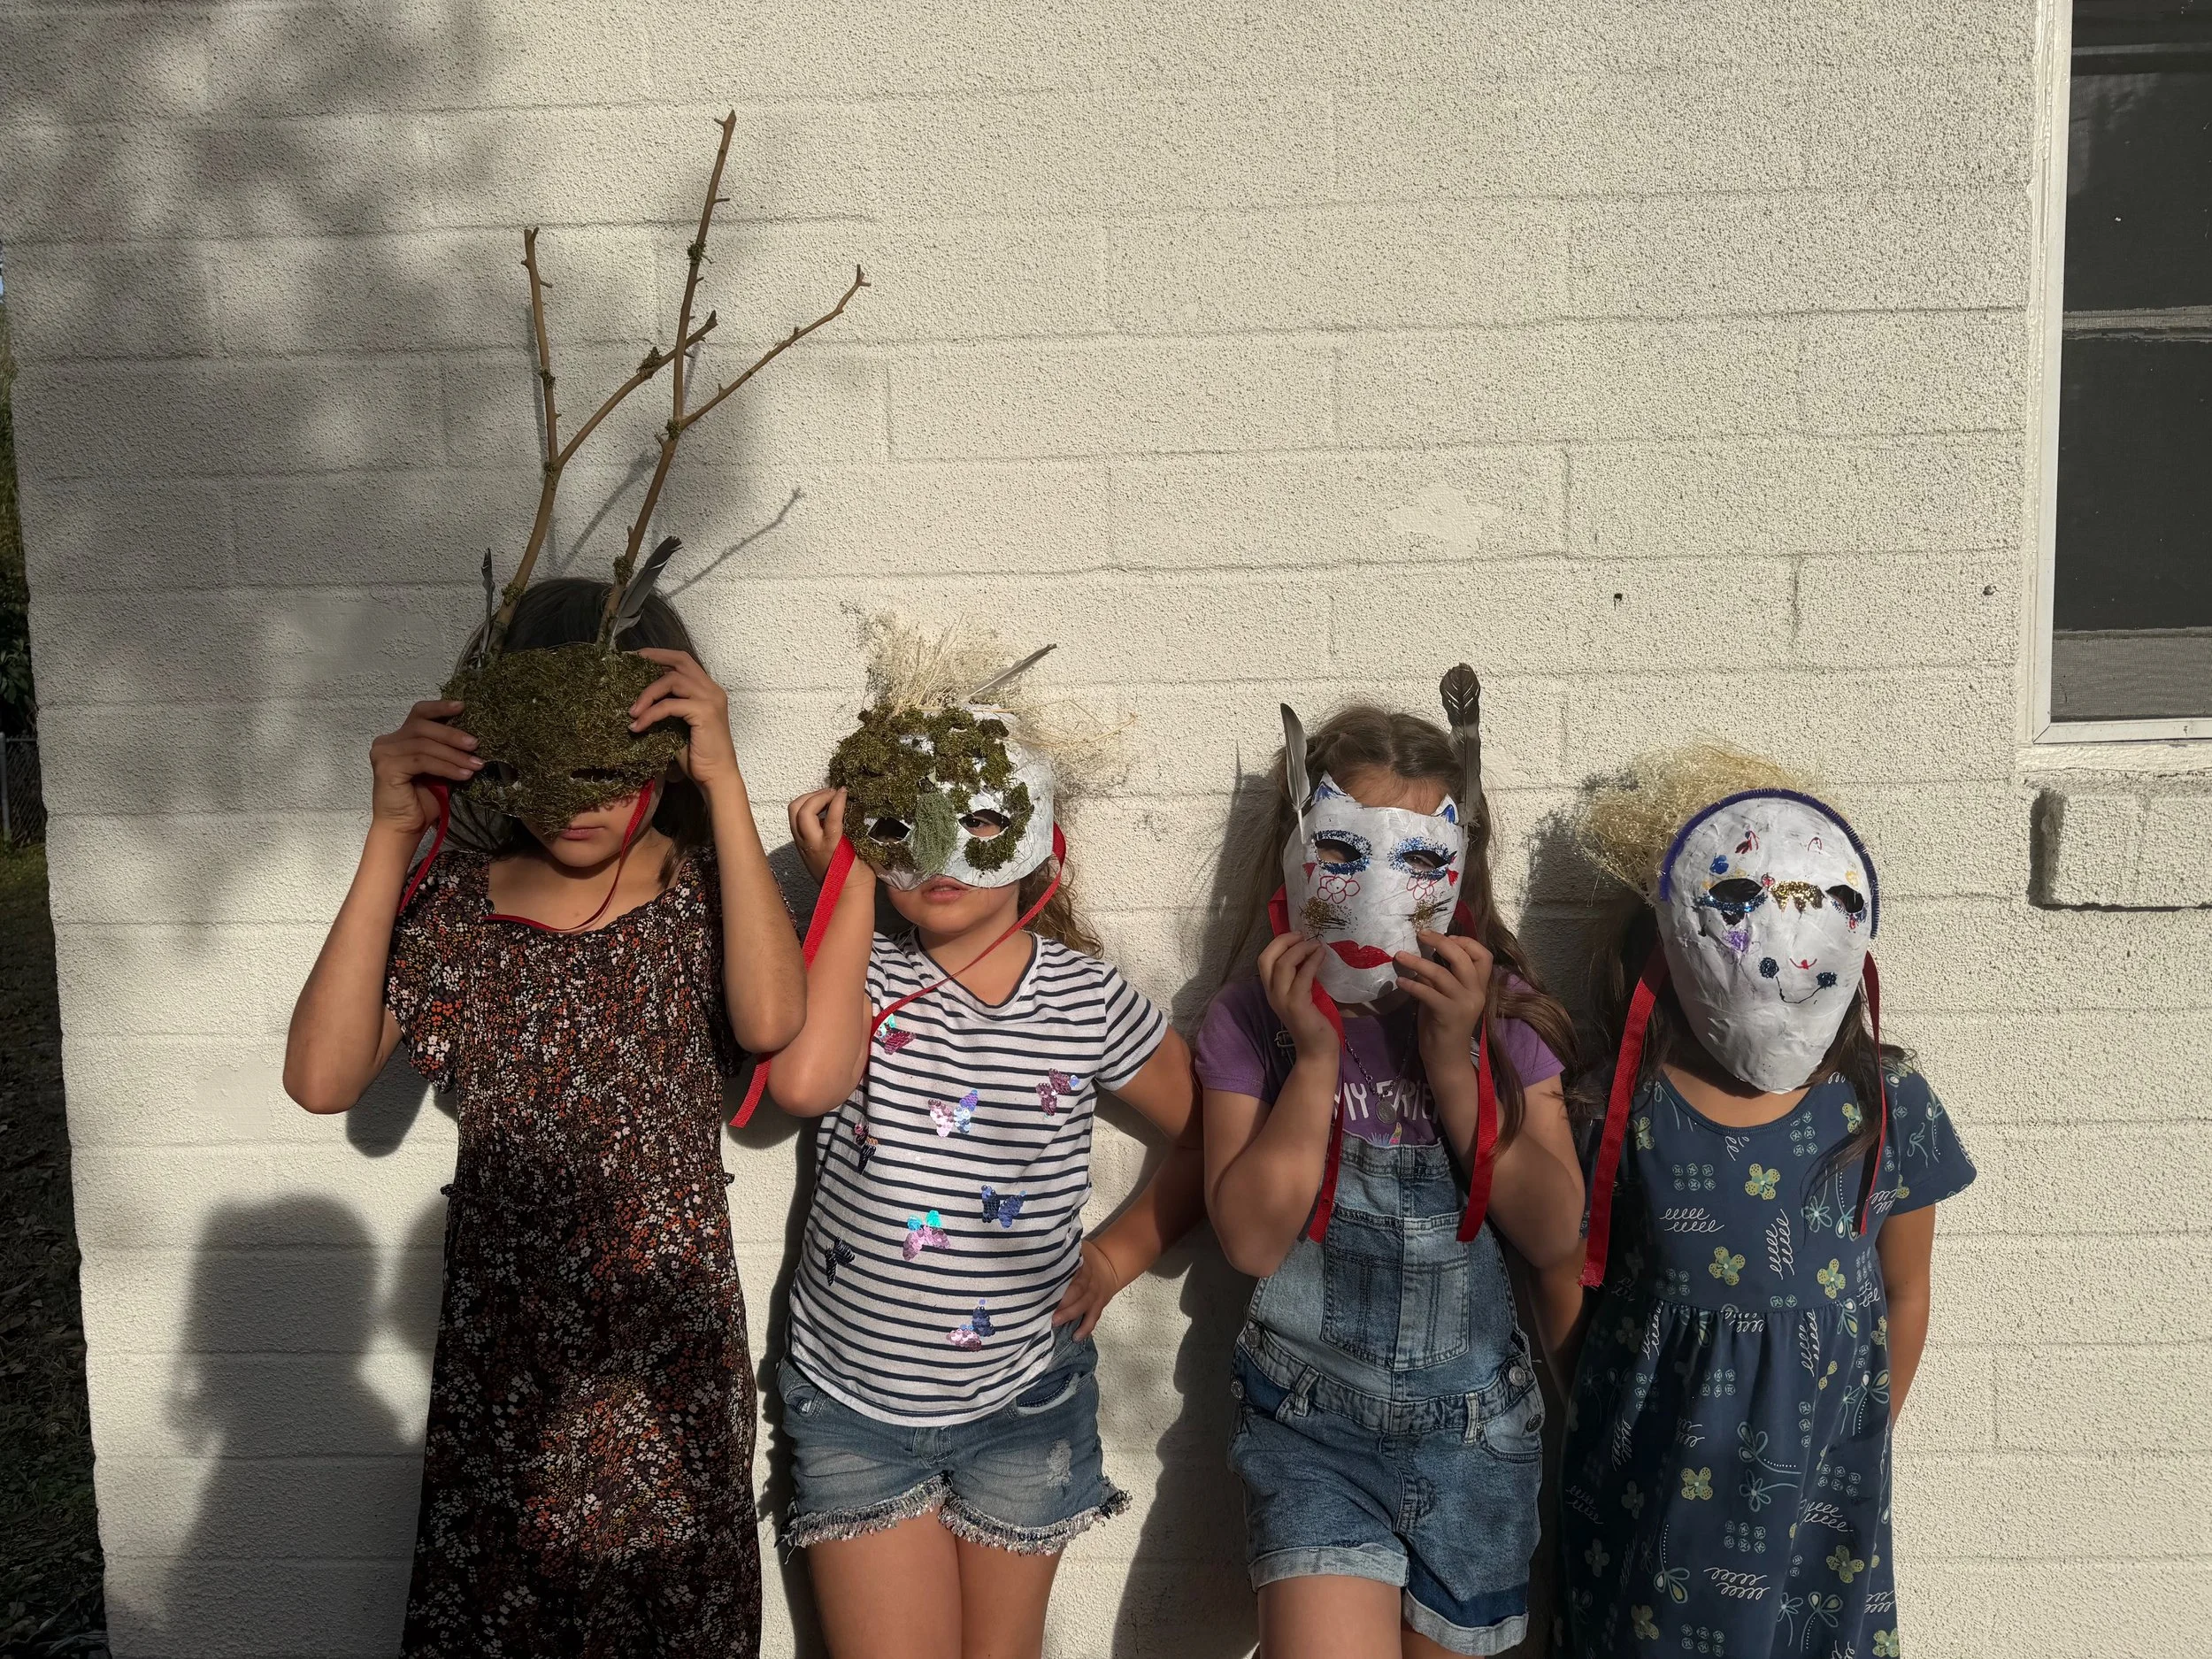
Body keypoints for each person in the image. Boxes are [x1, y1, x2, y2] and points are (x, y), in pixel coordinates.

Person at [283, 577, 805, 1656]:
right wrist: (390, 836)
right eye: (543, 755)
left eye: (615, 758)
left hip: (665, 1353)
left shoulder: (704, 890)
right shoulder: (462, 909)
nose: (580, 796)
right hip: (506, 1364)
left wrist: (725, 772)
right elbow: (324, 1079)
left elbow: (767, 1018)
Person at [761, 620, 1204, 1659]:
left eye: (982, 816)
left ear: (1040, 834)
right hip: (852, 1399)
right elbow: (803, 1079)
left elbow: (1213, 1133)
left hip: (1026, 1397)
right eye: (903, 822)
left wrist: (1119, 1251)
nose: (940, 849)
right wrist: (844, 897)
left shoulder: (1088, 999)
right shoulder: (854, 973)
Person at [1196, 678, 1586, 1659]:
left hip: (1477, 1443)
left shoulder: (1504, 1013)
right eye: (1342, 852)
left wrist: (1455, 1063)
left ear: (1461, 870)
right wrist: (1314, 1061)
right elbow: (1249, 1238)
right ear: (1295, 852)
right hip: (1311, 1430)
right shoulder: (1251, 1020)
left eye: (1419, 861)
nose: (1379, 893)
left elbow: (1551, 1230)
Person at [1559, 746, 1976, 1659]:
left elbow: (1905, 1289)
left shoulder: (1885, 1101)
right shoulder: (1615, 1108)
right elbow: (1573, 1294)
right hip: (1652, 1495)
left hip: (1818, 1502)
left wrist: (1850, 1435)